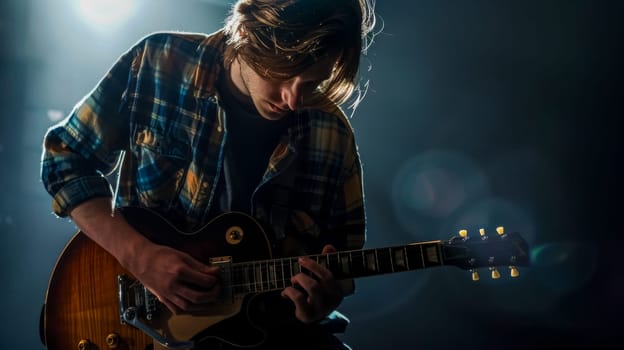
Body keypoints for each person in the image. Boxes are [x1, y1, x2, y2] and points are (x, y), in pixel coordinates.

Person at [41, 0, 376, 348]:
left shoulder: (332, 133)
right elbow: (64, 158)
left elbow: (342, 255)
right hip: (141, 327)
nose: (292, 99)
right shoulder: (160, 62)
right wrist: (138, 256)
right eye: (280, 72)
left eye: (311, 84)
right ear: (245, 33)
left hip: (270, 332)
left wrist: (321, 301)